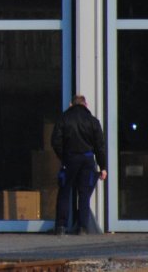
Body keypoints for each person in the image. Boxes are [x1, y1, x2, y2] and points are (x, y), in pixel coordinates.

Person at [50, 94, 107, 235]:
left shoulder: (64, 118)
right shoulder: (93, 121)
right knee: (84, 193)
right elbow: (100, 146)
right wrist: (103, 167)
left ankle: (61, 226)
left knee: (64, 191)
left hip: (70, 158)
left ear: (71, 104)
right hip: (87, 159)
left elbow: (55, 141)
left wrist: (63, 156)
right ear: (85, 105)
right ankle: (82, 227)